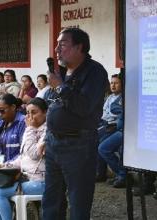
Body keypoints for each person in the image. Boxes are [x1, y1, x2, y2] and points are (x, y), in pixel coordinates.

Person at [42, 27, 109, 220]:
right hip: (53, 143)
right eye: (56, 44)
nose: (56, 49)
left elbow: (84, 107)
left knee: (78, 201)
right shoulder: (61, 71)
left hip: (78, 145)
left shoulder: (95, 72)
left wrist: (60, 87)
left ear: (79, 47)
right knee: (51, 200)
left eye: (62, 44)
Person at [0, 97, 47, 220]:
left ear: (45, 113)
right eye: (28, 113)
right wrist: (5, 166)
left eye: (34, 112)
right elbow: (23, 156)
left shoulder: (48, 131)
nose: (30, 117)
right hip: (26, 177)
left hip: (41, 181)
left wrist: (30, 128)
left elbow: (34, 154)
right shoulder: (31, 129)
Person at [96, 74, 123, 183]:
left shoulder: (122, 98)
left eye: (116, 83)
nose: (113, 85)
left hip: (113, 126)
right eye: (112, 83)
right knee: (91, 140)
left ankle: (121, 174)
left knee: (102, 146)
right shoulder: (110, 97)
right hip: (104, 124)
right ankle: (101, 173)